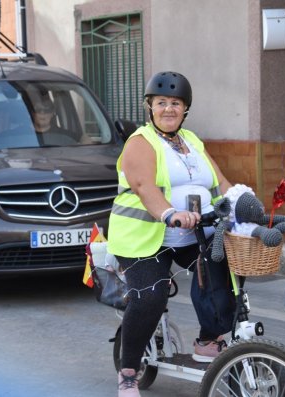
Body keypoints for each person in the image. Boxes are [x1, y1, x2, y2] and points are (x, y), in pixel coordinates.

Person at [107, 71, 235, 396]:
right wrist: (169, 213)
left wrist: (243, 204)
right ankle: (128, 372)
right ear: (148, 107)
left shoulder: (192, 141)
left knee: (222, 275)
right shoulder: (140, 142)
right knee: (151, 295)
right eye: (161, 102)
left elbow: (219, 183)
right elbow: (143, 186)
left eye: (175, 103)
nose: (168, 109)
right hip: (143, 238)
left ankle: (208, 341)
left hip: (194, 234)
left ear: (185, 109)